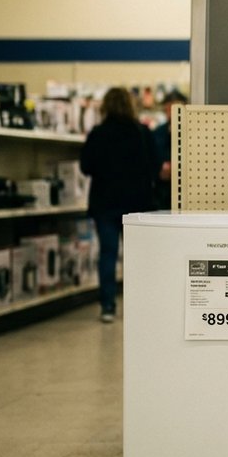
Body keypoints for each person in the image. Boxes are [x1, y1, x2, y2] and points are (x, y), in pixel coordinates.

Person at [81, 87, 158, 322]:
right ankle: (139, 307)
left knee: (108, 255)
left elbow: (86, 167)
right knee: (137, 257)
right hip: (137, 204)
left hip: (105, 204)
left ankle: (108, 307)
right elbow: (154, 166)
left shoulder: (98, 133)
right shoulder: (143, 133)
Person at [152, 90, 186, 210]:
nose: (172, 114)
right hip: (162, 192)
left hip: (186, 190)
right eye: (168, 109)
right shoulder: (158, 133)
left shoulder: (193, 132)